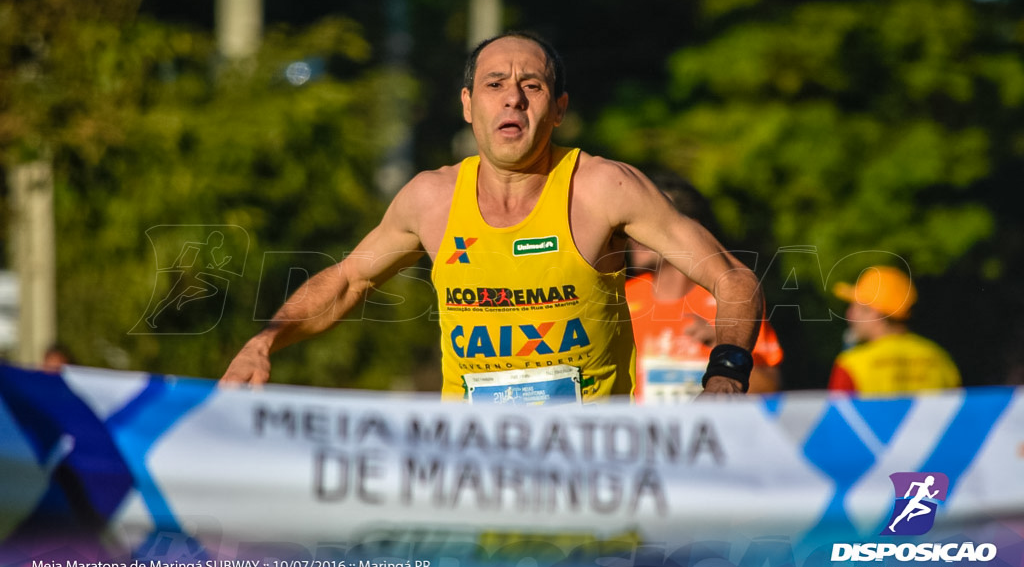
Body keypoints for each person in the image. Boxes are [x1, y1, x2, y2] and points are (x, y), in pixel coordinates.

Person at [221, 31, 764, 402]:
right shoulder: (430, 199)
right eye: (495, 84)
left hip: (592, 484)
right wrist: (264, 340)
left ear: (559, 109)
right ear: (467, 104)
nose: (514, 100)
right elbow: (345, 281)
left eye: (532, 86)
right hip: (473, 481)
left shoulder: (602, 188)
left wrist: (726, 374)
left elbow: (733, 277)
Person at [625, 173, 783, 403]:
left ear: (690, 231)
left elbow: (771, 388)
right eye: (633, 221)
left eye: (651, 223)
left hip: (706, 437)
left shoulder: (732, 300)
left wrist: (724, 351)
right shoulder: (619, 298)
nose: (636, 234)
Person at [828, 265, 960, 394]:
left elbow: (838, 415)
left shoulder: (850, 365)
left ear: (874, 312)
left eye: (855, 306)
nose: (849, 314)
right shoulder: (941, 359)